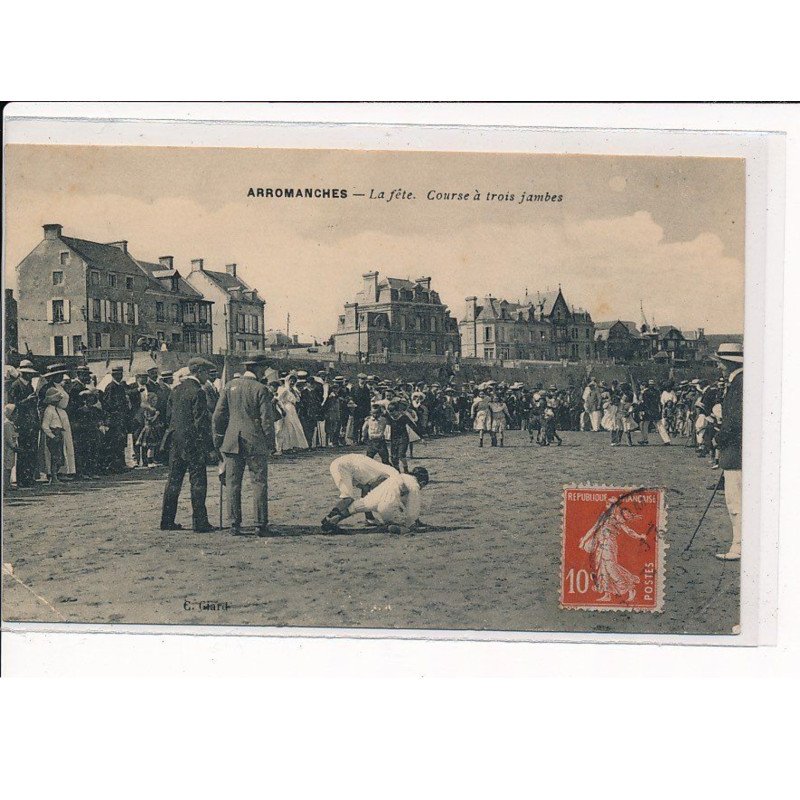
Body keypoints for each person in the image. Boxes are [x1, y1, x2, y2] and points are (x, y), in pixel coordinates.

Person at [213, 359, 275, 536]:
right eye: (264, 369)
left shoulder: (229, 386)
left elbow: (218, 415)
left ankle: (234, 523)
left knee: (232, 483)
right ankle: (260, 524)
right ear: (257, 369)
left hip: (232, 441)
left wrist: (218, 438)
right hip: (255, 441)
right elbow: (267, 421)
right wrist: (270, 443)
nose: (265, 372)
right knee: (259, 483)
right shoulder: (260, 389)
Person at [160, 357, 216, 533]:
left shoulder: (176, 390)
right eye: (206, 373)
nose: (207, 377)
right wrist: (209, 448)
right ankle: (200, 522)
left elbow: (169, 416)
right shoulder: (198, 392)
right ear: (198, 372)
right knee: (198, 482)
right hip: (193, 443)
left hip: (176, 442)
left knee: (173, 481)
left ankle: (167, 521)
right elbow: (201, 423)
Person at [321, 453, 429, 533]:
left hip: (351, 465)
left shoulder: (384, 481)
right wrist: (413, 521)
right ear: (422, 482)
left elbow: (366, 490)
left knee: (354, 506)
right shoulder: (398, 476)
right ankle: (393, 526)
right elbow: (412, 506)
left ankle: (334, 520)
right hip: (345, 466)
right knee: (348, 499)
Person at [714, 342, 744, 561]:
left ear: (728, 363)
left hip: (735, 451)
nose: (719, 368)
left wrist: (719, 438)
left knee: (735, 500)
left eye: (720, 364)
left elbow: (733, 421)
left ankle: (738, 546)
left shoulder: (738, 384)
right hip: (742, 450)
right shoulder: (743, 381)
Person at [7, 360, 40, 488]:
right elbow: (12, 405)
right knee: (23, 450)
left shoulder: (29, 386)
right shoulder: (16, 385)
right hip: (22, 421)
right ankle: (22, 478)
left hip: (30, 421)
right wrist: (28, 400)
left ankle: (29, 477)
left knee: (31, 450)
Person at [276, 372, 309, 452]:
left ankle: (294, 445)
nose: (292, 383)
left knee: (295, 426)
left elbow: (297, 400)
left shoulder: (294, 390)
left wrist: (295, 392)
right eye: (291, 381)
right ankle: (286, 447)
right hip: (286, 408)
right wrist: (282, 409)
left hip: (292, 409)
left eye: (294, 381)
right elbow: (278, 399)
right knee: (288, 427)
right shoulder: (283, 390)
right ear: (287, 381)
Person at [4, 404, 19, 491]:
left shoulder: (11, 424)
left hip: (12, 449)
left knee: (11, 465)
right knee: (7, 466)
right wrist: (14, 447)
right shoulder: (7, 425)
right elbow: (9, 439)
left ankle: (8, 484)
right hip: (8, 449)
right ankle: (5, 485)